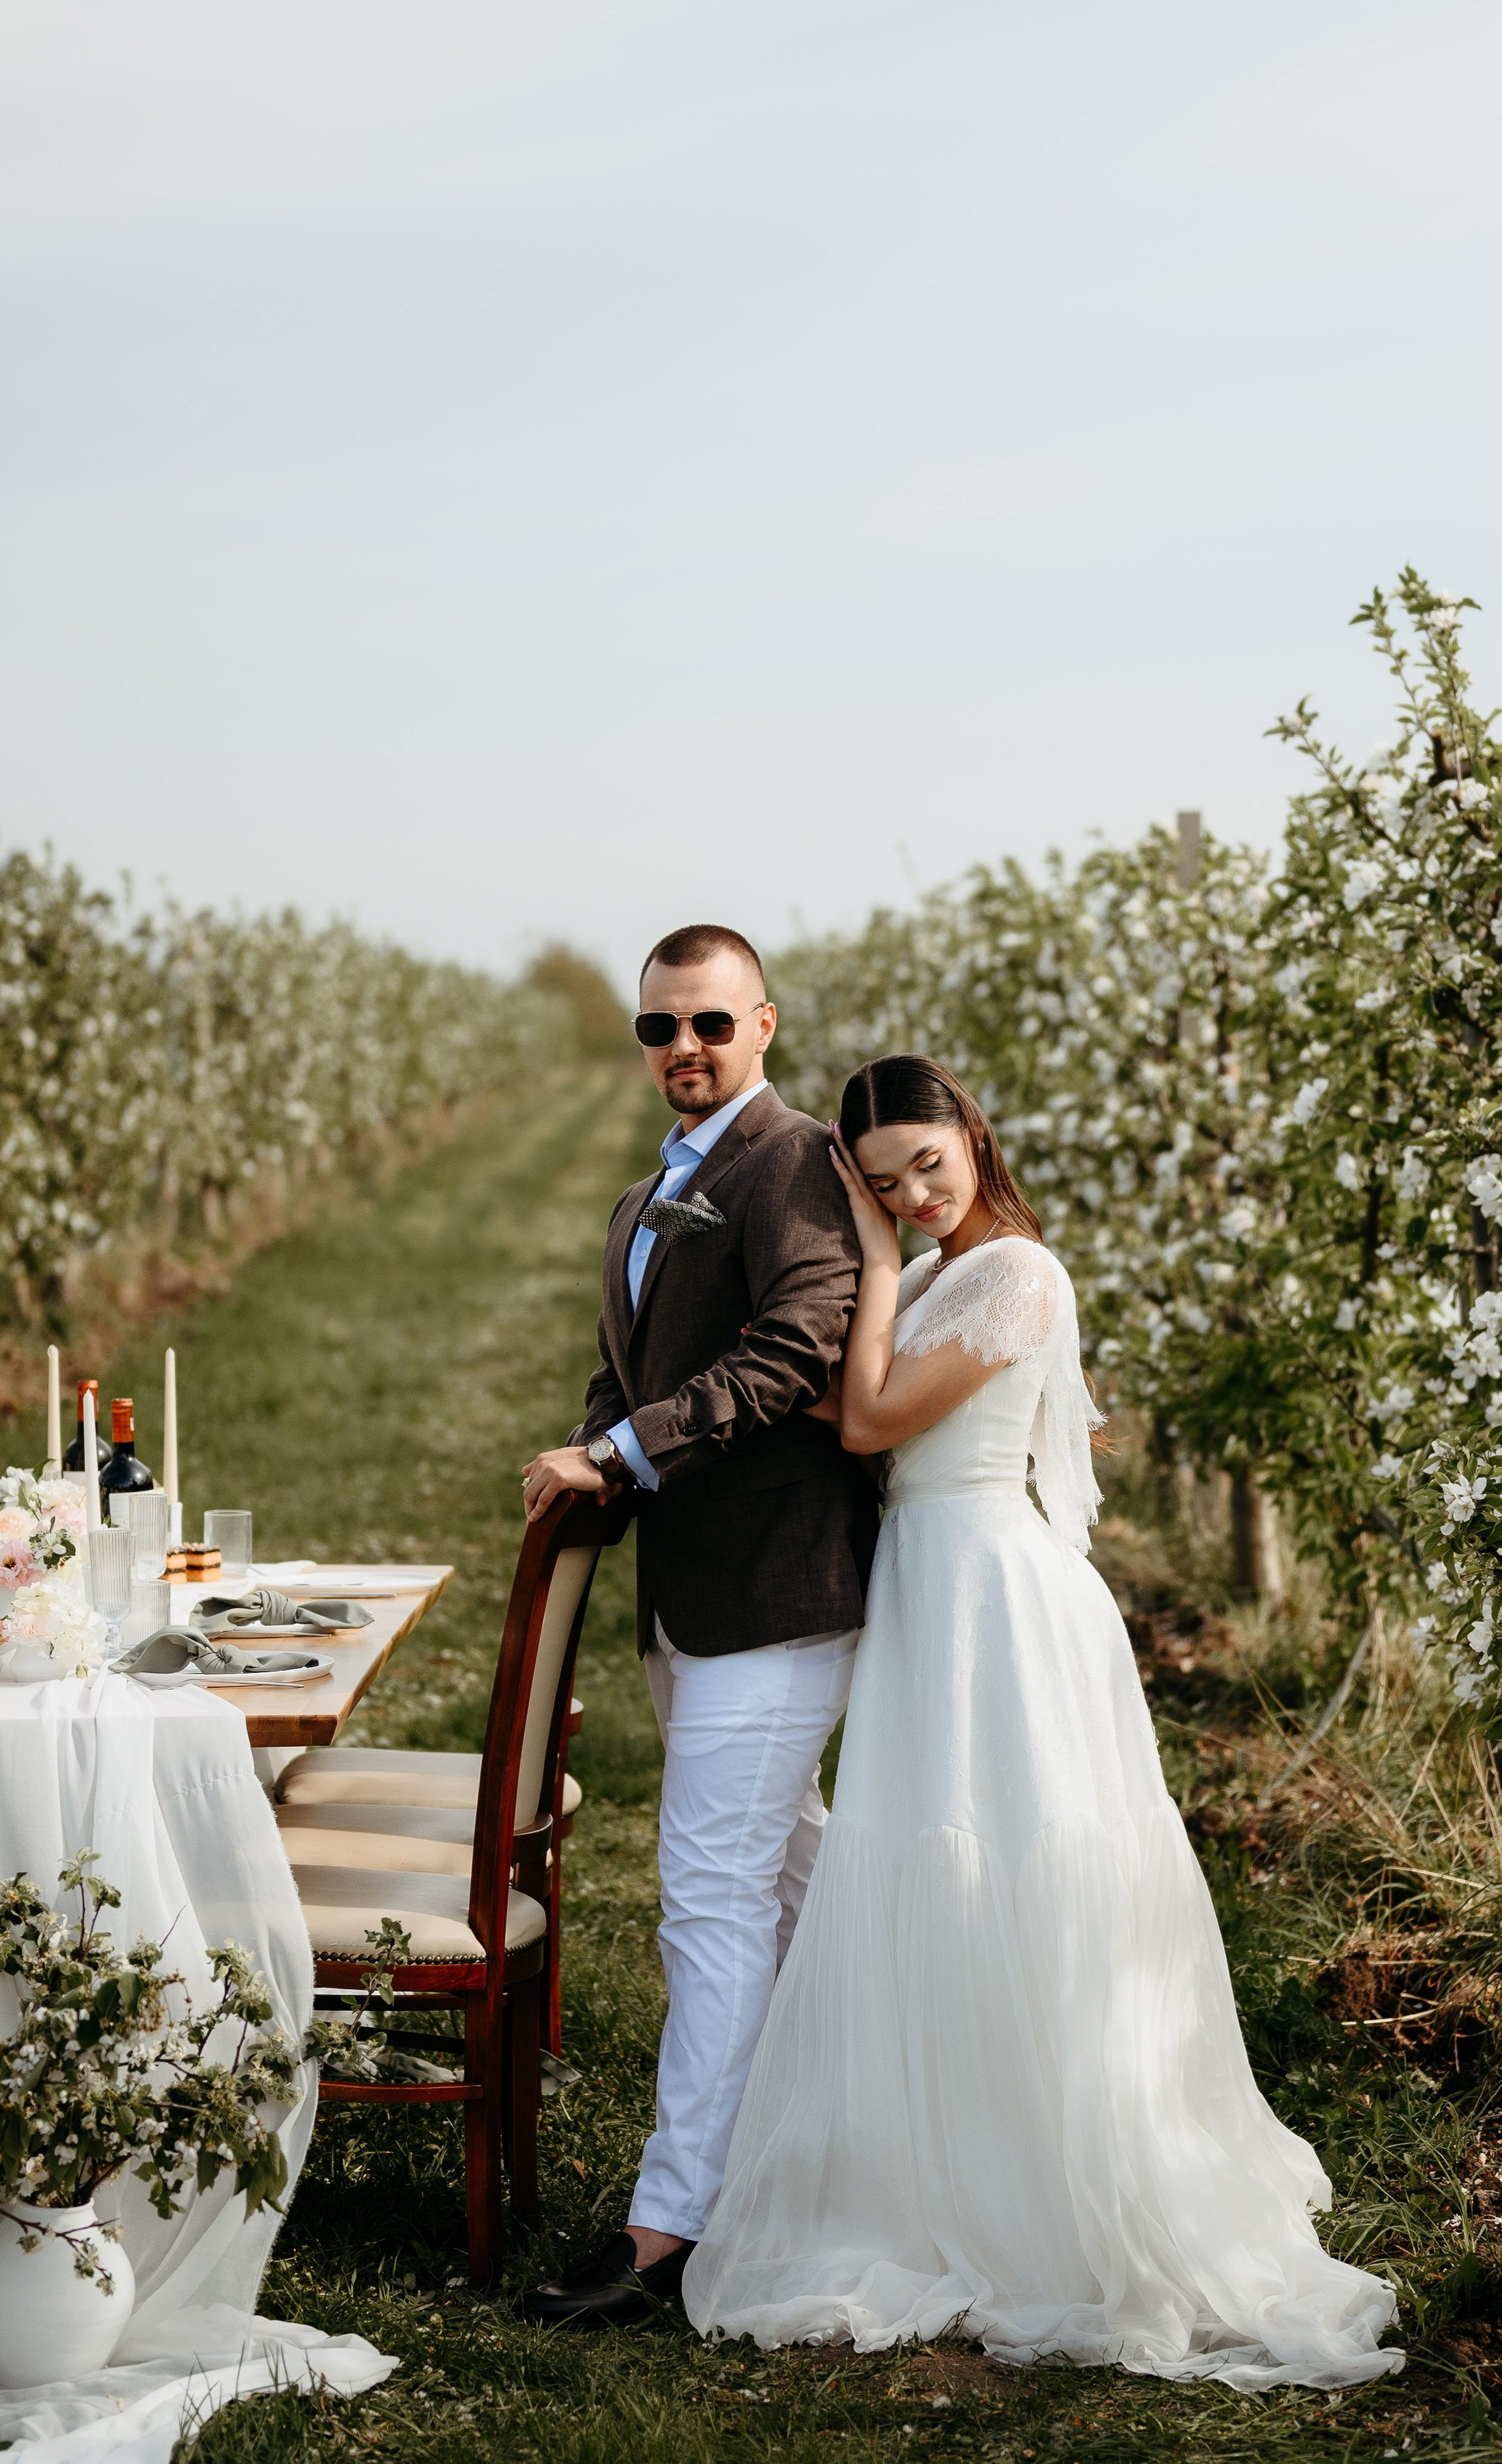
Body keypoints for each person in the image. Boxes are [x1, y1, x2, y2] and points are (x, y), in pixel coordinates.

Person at [683, 1054, 1403, 2388]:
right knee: (934, 1861)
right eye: (880, 1179)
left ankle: (1058, 2173)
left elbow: (867, 1417)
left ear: (970, 1136)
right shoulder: (954, 1265)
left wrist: (865, 1248)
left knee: (1014, 1855)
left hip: (993, 1599)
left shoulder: (1016, 1271)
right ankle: (953, 2155)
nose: (908, 1193)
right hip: (930, 1592)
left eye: (923, 1167)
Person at [520, 925, 879, 2329]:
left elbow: (794, 1345)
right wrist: (593, 1438)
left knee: (710, 1905)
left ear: (765, 1026)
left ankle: (674, 2233)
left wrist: (617, 1461)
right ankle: (850, 2143)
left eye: (710, 1027)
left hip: (778, 1595)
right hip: (695, 1599)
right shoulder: (646, 1192)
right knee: (797, 1886)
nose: (684, 1051)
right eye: (658, 1030)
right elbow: (632, 1366)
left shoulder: (789, 1163)